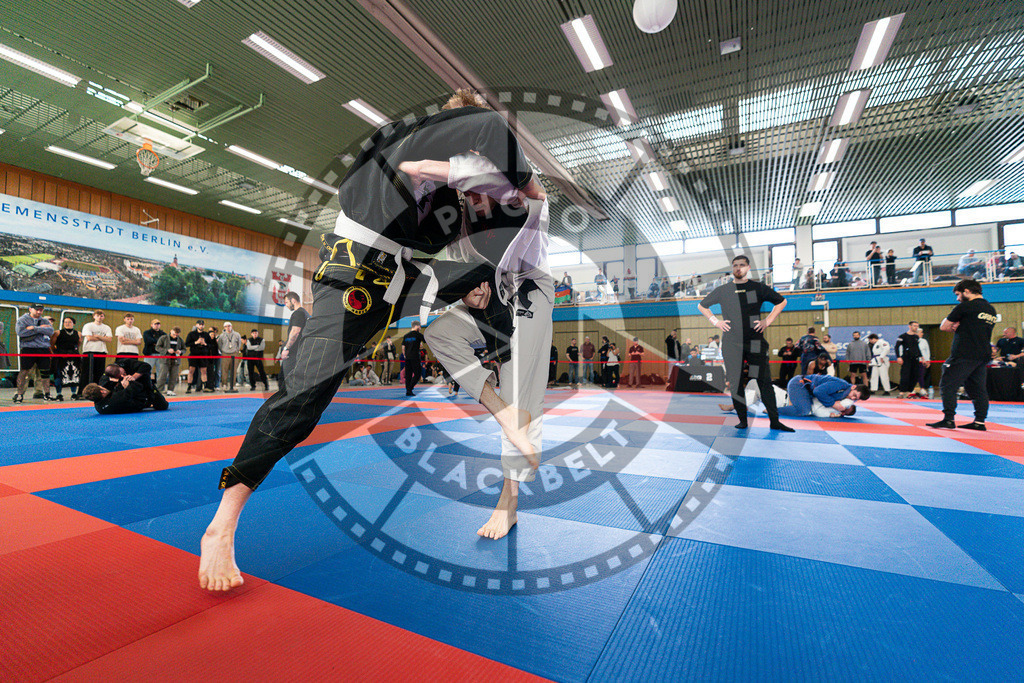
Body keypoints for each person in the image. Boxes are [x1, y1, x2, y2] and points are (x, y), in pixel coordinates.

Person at [199, 89, 546, 590]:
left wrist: (506, 208)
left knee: (491, 297)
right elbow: (489, 126)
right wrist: (528, 183)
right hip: (358, 271)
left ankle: (508, 414)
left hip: (410, 278)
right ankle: (224, 521)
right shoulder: (415, 142)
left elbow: (503, 219)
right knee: (304, 396)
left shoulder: (463, 191)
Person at [698, 254, 793, 431]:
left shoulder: (757, 288)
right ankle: (742, 420)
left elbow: (782, 301)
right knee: (735, 382)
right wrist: (715, 322)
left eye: (742, 265)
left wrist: (767, 321)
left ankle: (774, 421)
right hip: (732, 344)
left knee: (762, 380)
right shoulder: (724, 290)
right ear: (732, 268)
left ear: (748, 268)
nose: (738, 268)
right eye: (735, 265)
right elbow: (702, 305)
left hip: (755, 342)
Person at [927, 279, 998, 430]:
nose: (957, 298)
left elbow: (944, 326)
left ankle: (948, 419)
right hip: (982, 354)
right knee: (977, 389)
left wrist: (954, 326)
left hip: (964, 352)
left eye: (958, 294)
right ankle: (979, 421)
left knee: (947, 385)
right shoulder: (990, 309)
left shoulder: (965, 306)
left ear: (966, 291)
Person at [720, 374, 869, 418]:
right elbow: (818, 392)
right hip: (799, 384)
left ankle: (738, 405)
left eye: (857, 399)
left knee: (762, 391)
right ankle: (772, 410)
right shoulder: (841, 385)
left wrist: (837, 411)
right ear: (853, 387)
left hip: (802, 391)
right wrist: (835, 404)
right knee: (804, 411)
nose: (853, 398)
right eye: (855, 395)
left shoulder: (845, 396)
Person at [82, 359, 169, 414]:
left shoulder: (99, 407)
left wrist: (132, 377)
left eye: (123, 373)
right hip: (141, 398)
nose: (124, 375)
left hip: (130, 398)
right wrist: (128, 384)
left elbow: (146, 366)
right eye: (121, 375)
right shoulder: (116, 398)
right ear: (102, 391)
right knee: (163, 406)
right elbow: (137, 388)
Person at [13, 304, 53, 404]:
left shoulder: (44, 320)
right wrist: (40, 328)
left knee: (45, 373)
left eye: (41, 310)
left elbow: (50, 331)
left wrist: (34, 328)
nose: (39, 312)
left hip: (43, 349)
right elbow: (21, 333)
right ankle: (19, 394)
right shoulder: (22, 320)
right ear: (30, 309)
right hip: (28, 348)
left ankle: (47, 394)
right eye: (37, 310)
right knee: (24, 372)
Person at [278, 292, 308, 394]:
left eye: (287, 302)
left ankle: (287, 405)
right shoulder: (306, 314)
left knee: (286, 381)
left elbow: (295, 332)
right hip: (301, 352)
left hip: (293, 353)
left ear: (293, 301)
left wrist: (286, 348)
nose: (286, 305)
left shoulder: (298, 313)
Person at [79, 309, 112, 391]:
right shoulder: (88, 325)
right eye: (97, 316)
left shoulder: (106, 327)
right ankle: (83, 391)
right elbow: (89, 338)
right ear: (94, 316)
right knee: (87, 372)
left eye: (101, 316)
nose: (99, 318)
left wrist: (97, 336)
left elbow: (109, 339)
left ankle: (98, 390)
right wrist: (103, 338)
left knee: (100, 373)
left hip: (101, 351)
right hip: (89, 351)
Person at [50, 316, 81, 401]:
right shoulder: (57, 333)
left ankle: (74, 393)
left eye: (69, 322)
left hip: (73, 357)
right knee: (59, 375)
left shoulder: (78, 333)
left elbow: (78, 344)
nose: (67, 323)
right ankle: (59, 394)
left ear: (73, 323)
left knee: (74, 374)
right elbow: (52, 344)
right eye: (65, 322)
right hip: (60, 356)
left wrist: (73, 352)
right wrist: (56, 353)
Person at [894, 321, 922, 399]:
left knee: (914, 376)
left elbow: (917, 348)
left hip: (915, 359)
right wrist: (898, 357)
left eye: (917, 326)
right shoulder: (903, 336)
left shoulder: (916, 337)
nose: (916, 327)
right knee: (905, 375)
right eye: (914, 326)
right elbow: (897, 347)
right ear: (909, 326)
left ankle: (910, 392)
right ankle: (902, 392)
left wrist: (922, 357)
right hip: (906, 358)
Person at [184, 320, 213, 394]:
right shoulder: (191, 334)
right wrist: (196, 342)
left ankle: (205, 386)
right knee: (191, 371)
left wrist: (205, 343)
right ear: (196, 325)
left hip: (203, 355)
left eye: (202, 325)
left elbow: (211, 345)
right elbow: (186, 344)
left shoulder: (206, 334)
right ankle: (189, 386)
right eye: (200, 324)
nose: (201, 326)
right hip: (194, 354)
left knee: (203, 371)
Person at [156, 326, 185, 396]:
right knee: (162, 375)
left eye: (177, 335)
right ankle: (159, 390)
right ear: (171, 331)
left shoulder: (180, 340)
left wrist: (180, 352)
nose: (175, 336)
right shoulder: (163, 338)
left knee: (174, 376)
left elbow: (184, 349)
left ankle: (170, 390)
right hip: (165, 360)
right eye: (174, 334)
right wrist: (166, 350)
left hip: (176, 360)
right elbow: (157, 347)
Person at [217, 322, 243, 393]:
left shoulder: (237, 334)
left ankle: (233, 385)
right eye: (226, 326)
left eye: (229, 326)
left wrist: (237, 350)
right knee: (224, 370)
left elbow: (239, 343)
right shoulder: (222, 336)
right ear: (224, 327)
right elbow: (219, 344)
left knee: (234, 370)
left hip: (234, 354)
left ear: (231, 326)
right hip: (225, 353)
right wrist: (223, 351)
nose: (228, 328)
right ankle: (224, 384)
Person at [402, 321, 426, 397]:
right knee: (418, 374)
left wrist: (405, 355)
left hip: (408, 357)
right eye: (420, 327)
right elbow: (426, 341)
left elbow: (403, 347)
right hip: (415, 357)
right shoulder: (418, 335)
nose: (420, 328)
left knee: (408, 375)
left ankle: (408, 390)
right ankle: (410, 388)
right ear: (417, 326)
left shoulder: (406, 336)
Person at [915, 327, 932, 398]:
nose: (922, 333)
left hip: (922, 361)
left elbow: (927, 351)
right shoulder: (912, 340)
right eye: (921, 332)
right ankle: (913, 390)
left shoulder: (924, 341)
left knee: (921, 375)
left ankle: (922, 389)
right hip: (913, 361)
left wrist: (928, 360)